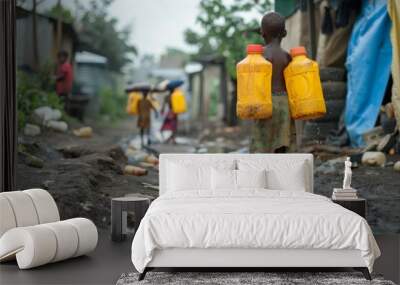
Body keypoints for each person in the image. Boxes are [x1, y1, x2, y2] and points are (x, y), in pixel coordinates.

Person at [250, 12, 296, 153]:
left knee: (262, 140)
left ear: (262, 33)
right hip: (284, 101)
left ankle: (261, 170)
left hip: (265, 101)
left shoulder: (259, 56)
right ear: (285, 33)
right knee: (283, 138)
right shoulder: (288, 56)